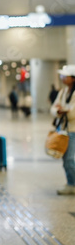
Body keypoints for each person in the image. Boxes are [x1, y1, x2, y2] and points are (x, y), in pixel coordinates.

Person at [50, 65, 75, 196]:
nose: (63, 78)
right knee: (66, 158)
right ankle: (71, 183)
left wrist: (63, 110)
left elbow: (72, 113)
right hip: (63, 129)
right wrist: (60, 110)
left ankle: (72, 184)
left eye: (65, 76)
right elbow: (53, 109)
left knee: (69, 159)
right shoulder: (63, 92)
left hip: (73, 130)